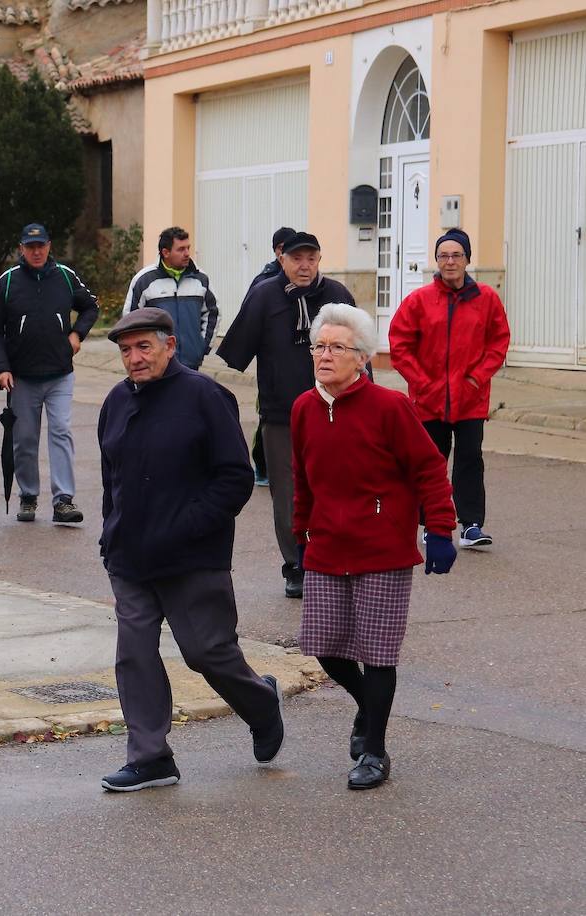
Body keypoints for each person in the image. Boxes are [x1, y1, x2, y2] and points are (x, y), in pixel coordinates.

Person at [98, 307, 285, 793]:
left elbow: (235, 478)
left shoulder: (205, 397)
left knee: (206, 652)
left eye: (144, 347)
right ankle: (151, 757)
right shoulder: (116, 402)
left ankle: (261, 703)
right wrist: (109, 531)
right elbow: (111, 478)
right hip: (130, 558)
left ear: (170, 346)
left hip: (191, 556)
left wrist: (188, 527)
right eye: (126, 350)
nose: (135, 359)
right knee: (134, 654)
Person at [292, 303, 457, 790]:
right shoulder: (304, 408)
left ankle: (374, 751)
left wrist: (441, 530)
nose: (324, 355)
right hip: (326, 545)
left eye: (336, 348)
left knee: (378, 653)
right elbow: (302, 480)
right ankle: (370, 710)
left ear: (361, 358)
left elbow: (428, 468)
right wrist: (301, 536)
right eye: (319, 346)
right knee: (323, 647)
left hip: (382, 547)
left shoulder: (391, 407)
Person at [216, 231, 356, 598]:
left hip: (334, 408)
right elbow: (236, 351)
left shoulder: (338, 297)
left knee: (337, 485)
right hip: (282, 413)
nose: (304, 265)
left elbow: (362, 352)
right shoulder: (264, 296)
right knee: (288, 493)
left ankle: (332, 556)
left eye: (311, 258)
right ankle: (296, 564)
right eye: (297, 259)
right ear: (282, 259)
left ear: (320, 259)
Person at [388, 228, 510, 550]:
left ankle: (471, 525)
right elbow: (399, 345)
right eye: (443, 256)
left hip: (470, 398)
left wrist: (475, 379)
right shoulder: (419, 300)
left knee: (470, 459)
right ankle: (433, 525)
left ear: (467, 259)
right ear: (437, 261)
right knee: (431, 462)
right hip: (429, 400)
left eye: (457, 255)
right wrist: (422, 383)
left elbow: (498, 343)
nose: (450, 261)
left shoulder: (486, 299)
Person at [0, 222, 99, 524]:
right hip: (21, 377)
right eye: (30, 246)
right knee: (24, 439)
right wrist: (1, 368)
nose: (36, 251)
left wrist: (77, 335)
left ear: (49, 246)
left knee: (61, 432)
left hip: (60, 372)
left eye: (41, 245)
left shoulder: (65, 276)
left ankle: (64, 500)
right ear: (21, 249)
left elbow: (91, 307)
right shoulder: (7, 282)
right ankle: (28, 496)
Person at [122, 227, 219, 370]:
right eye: (180, 249)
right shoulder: (144, 280)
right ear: (165, 252)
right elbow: (130, 320)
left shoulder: (201, 279)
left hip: (190, 363)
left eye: (188, 248)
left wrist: (201, 347)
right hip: (155, 363)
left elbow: (213, 314)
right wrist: (142, 352)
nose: (187, 253)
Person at [247, 227, 295, 486]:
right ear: (278, 251)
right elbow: (249, 323)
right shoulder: (263, 282)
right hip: (273, 364)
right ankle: (262, 466)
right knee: (268, 419)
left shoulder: (310, 279)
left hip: (299, 362)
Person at [249, 226, 295, 293]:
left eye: (288, 246)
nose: (284, 252)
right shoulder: (262, 281)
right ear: (275, 250)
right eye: (280, 248)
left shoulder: (306, 276)